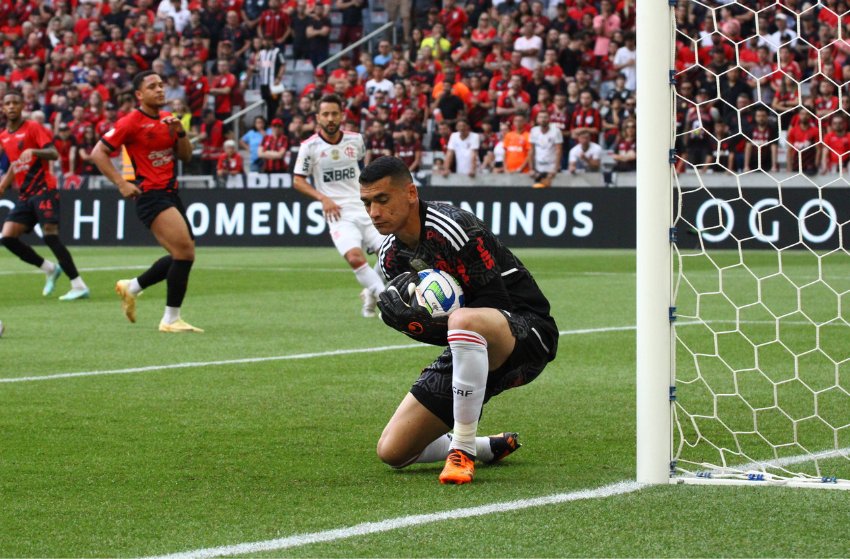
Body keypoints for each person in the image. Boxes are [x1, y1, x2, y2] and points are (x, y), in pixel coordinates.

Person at [360, 156, 559, 484]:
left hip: (528, 333)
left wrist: (435, 324)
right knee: (393, 452)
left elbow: (494, 305)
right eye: (367, 203)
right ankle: (485, 447)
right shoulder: (391, 256)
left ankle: (462, 451)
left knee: (464, 321)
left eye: (382, 200)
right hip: (468, 345)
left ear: (410, 193)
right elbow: (445, 330)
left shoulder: (453, 227)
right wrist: (414, 325)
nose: (374, 212)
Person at [90, 70, 202, 333]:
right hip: (149, 195)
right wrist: (121, 182)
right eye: (153, 86)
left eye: (162, 85)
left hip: (171, 192)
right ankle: (170, 319)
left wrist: (181, 133)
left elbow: (186, 156)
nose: (160, 90)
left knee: (182, 255)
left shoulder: (167, 119)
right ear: (139, 95)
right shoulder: (131, 122)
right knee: (184, 253)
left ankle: (132, 287)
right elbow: (98, 153)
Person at [292, 94, 385, 318]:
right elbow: (298, 180)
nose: (330, 118)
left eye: (334, 113)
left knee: (390, 255)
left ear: (342, 115)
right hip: (338, 213)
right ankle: (386, 300)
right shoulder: (309, 147)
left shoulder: (356, 140)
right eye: (325, 114)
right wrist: (323, 198)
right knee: (354, 257)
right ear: (318, 118)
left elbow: (365, 170)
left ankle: (370, 294)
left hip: (364, 207)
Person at [0, 90, 90, 300]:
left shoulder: (34, 127)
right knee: (8, 237)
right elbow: (15, 163)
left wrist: (34, 151)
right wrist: (4, 184)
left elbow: (53, 153)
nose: (12, 106)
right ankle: (49, 268)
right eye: (8, 104)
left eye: (15, 103)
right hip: (25, 194)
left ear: (23, 106)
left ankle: (79, 285)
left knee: (50, 235)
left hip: (44, 189)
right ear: (3, 109)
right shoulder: (4, 136)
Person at [529, 109, 563, 188]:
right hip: (538, 166)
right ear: (537, 119)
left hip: (551, 166)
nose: (543, 119)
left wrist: (556, 168)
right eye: (540, 117)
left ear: (549, 119)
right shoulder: (534, 131)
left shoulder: (556, 131)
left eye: (545, 117)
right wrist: (531, 168)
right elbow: (532, 150)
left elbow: (559, 150)